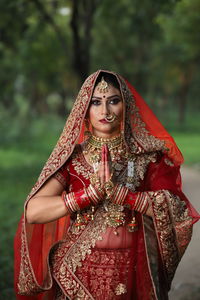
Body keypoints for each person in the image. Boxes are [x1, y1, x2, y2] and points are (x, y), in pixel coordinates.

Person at [14, 70, 199, 300]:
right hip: (78, 273)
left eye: (113, 101)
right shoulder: (72, 159)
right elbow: (33, 211)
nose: (105, 111)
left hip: (131, 271)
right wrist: (89, 194)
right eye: (95, 102)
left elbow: (178, 213)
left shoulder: (147, 157)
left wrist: (125, 196)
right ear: (84, 109)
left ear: (126, 105)